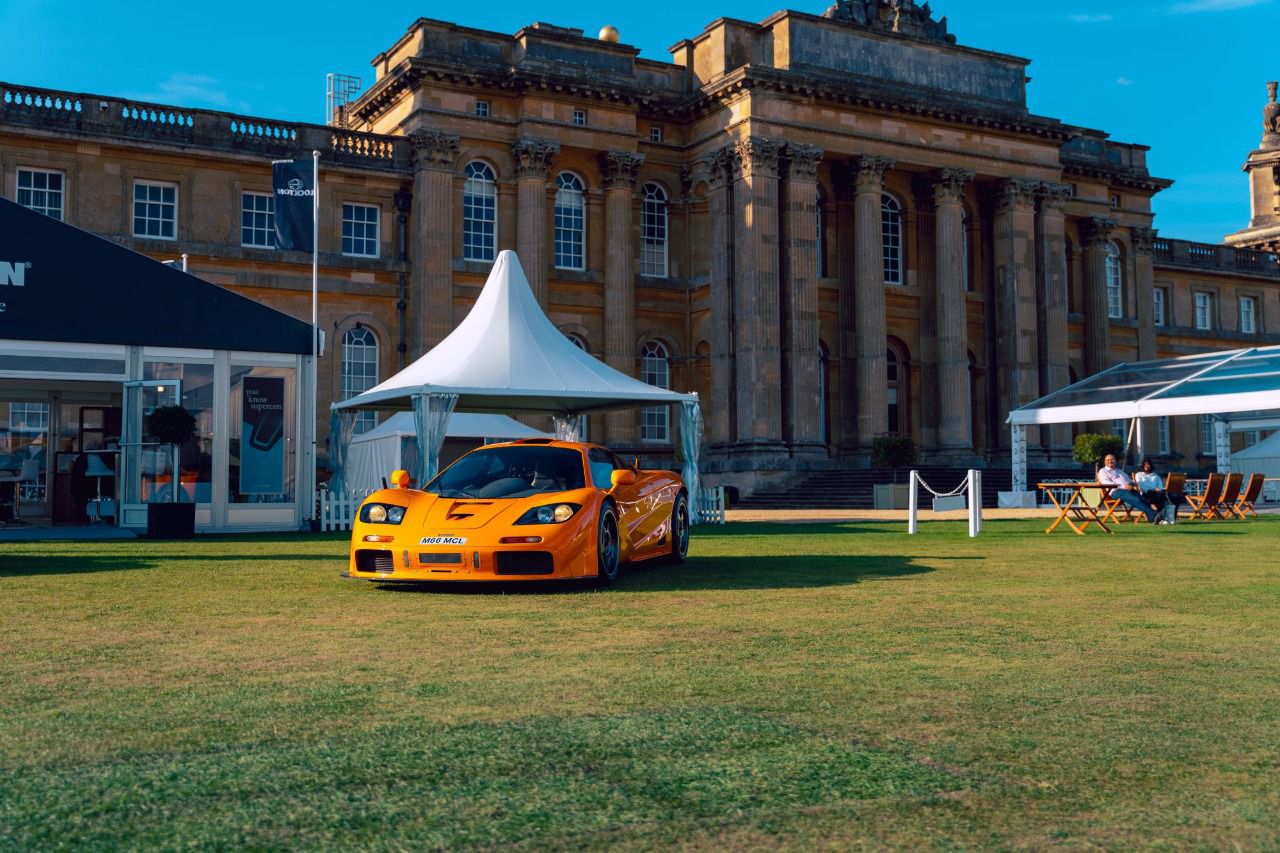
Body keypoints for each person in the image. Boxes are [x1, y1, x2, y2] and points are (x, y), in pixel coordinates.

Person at [1097, 453, 1161, 524]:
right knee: (1135, 499)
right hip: (1115, 491)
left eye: (1112, 459)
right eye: (1108, 460)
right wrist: (1123, 486)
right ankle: (1155, 514)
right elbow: (1107, 483)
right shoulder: (1103, 471)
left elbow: (1128, 480)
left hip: (1127, 490)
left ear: (1115, 461)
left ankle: (1152, 519)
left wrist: (1134, 484)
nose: (1110, 461)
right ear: (1105, 462)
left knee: (1142, 498)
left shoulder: (1119, 471)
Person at [1133, 458, 1185, 524]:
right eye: (1145, 464)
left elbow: (1160, 486)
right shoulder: (1139, 474)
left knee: (1175, 497)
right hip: (1146, 494)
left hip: (1157, 492)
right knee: (1160, 498)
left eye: (1148, 464)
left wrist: (1160, 490)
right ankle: (1161, 518)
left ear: (1151, 466)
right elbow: (1141, 486)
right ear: (1142, 465)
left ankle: (1171, 518)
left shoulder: (1155, 476)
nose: (1147, 466)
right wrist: (1154, 489)